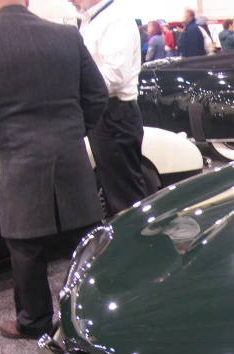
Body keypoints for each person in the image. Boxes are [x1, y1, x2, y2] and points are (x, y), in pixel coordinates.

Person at [0, 0, 106, 339]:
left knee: (25, 247)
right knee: (84, 241)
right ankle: (94, 316)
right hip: (71, 156)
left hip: (17, 157)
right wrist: (74, 132)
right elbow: (97, 94)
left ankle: (35, 321)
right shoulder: (66, 35)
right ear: (28, 1)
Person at [70, 0, 148, 219]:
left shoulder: (115, 19)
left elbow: (115, 77)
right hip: (105, 113)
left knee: (125, 196)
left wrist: (72, 84)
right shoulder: (94, 20)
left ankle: (136, 249)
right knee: (115, 190)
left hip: (115, 113)